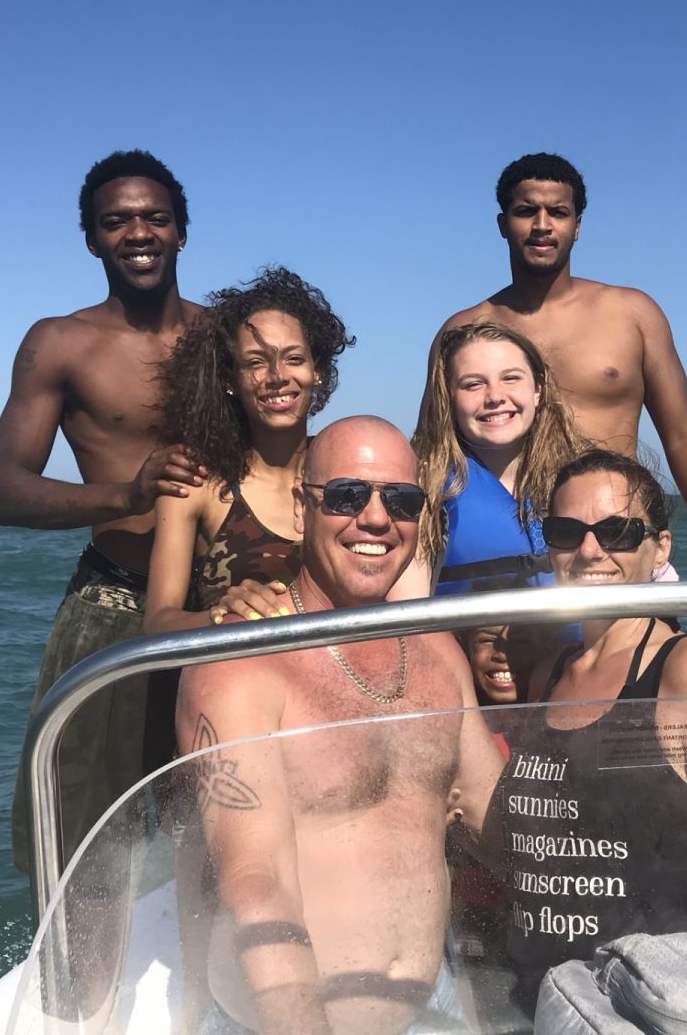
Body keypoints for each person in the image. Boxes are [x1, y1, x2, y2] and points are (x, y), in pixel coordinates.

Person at [175, 416, 507, 1034]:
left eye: (401, 500)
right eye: (349, 496)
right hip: (278, 1022)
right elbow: (256, 881)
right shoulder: (238, 662)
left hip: (431, 1010)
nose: (377, 519)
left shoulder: (437, 650)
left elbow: (500, 817)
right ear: (303, 509)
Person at [459, 449, 687, 1020]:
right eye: (567, 531)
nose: (591, 550)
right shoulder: (549, 673)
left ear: (661, 549)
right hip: (547, 1006)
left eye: (618, 532)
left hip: (656, 1010)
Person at [0, 149, 207, 872]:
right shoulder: (60, 342)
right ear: (91, 238)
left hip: (222, 606)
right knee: (85, 840)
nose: (137, 233)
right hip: (113, 606)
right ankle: (81, 985)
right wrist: (125, 494)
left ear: (182, 230)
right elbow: (6, 491)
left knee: (226, 820)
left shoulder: (227, 338)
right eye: (117, 221)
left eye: (154, 218)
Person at [426, 153, 687, 637]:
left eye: (559, 212)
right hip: (517, 557)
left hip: (619, 542)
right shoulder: (465, 330)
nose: (542, 225)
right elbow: (431, 451)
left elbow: (681, 431)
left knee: (645, 687)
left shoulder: (632, 313)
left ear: (578, 226)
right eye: (527, 211)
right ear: (503, 224)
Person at [143, 267, 354, 635]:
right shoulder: (196, 483)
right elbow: (158, 624)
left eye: (294, 358)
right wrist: (222, 616)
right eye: (256, 362)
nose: (277, 376)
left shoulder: (347, 471)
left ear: (317, 371)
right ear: (229, 379)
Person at [415, 321, 586, 597]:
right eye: (473, 384)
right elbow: (411, 623)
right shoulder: (422, 494)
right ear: (449, 398)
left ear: (538, 390)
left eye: (511, 378)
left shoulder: (584, 481)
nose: (495, 396)